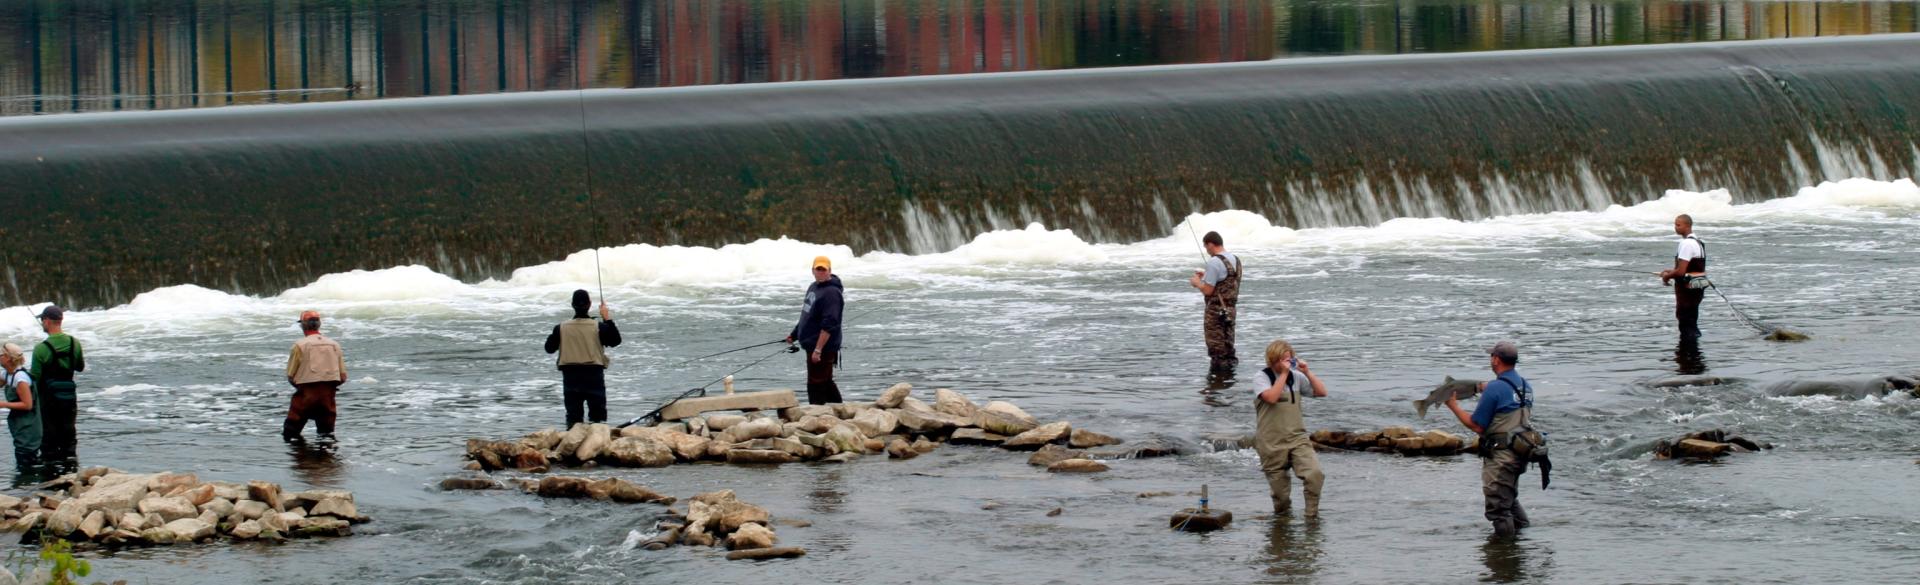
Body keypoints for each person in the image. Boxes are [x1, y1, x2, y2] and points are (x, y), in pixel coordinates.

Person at [1446, 340, 1536, 538]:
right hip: (1520, 453)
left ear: (1496, 360)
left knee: (1498, 509)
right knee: (1509, 501)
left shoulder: (1496, 388)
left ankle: (1504, 557)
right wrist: (1480, 388)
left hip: (1501, 457)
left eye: (1491, 356)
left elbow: (1477, 425)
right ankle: (1523, 542)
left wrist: (1453, 406)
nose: (1490, 360)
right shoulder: (1524, 385)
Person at [1252, 340, 1328, 517]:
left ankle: (1311, 517)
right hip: (1271, 441)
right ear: (1273, 360)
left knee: (1314, 474)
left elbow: (1322, 392)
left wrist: (1306, 372)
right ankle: (1282, 525)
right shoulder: (1261, 377)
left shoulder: (1297, 377)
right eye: (1284, 360)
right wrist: (1284, 374)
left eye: (1290, 359)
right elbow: (1271, 398)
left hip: (1297, 438)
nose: (1288, 363)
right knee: (1281, 495)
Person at [544, 290, 621, 428]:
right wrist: (606, 317)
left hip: (570, 376)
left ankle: (572, 443)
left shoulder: (560, 328)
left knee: (573, 419)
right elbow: (615, 340)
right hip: (594, 375)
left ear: (572, 305)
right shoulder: (599, 327)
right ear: (589, 305)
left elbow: (549, 348)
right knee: (598, 418)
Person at [785, 256, 844, 405]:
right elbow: (807, 315)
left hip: (823, 346)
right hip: (811, 343)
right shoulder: (813, 287)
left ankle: (815, 414)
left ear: (829, 271)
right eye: (818, 269)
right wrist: (794, 334)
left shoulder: (831, 293)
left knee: (815, 382)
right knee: (825, 380)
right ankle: (840, 410)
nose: (821, 272)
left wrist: (818, 349)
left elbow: (829, 324)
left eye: (824, 269)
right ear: (813, 271)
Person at [29, 306, 83, 465]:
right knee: (69, 432)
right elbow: (80, 367)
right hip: (69, 395)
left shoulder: (40, 349)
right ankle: (72, 471)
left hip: (48, 400)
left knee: (49, 437)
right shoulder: (75, 343)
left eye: (42, 320)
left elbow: (35, 378)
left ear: (46, 321)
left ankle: (50, 476)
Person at [283, 310, 347, 441]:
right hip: (328, 397)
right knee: (326, 436)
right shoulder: (334, 344)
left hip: (305, 396)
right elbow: (343, 377)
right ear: (319, 324)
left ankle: (302, 458)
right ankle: (325, 460)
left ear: (303, 325)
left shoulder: (299, 345)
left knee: (290, 435)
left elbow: (291, 376)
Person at [1188, 231, 1241, 380]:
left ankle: (1218, 384)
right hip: (1230, 309)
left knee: (1217, 349)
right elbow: (1225, 279)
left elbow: (1208, 290)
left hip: (1215, 311)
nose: (1207, 250)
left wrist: (1198, 283)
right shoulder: (1235, 260)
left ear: (1210, 244)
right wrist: (1206, 276)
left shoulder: (1214, 262)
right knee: (1228, 347)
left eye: (1206, 247)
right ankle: (1231, 381)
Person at [1658, 214, 1708, 342]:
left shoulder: (1686, 244)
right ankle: (1695, 355)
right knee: (1692, 320)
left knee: (1685, 323)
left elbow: (1680, 272)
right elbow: (1691, 268)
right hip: (1697, 289)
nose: (1675, 227)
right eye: (1675, 224)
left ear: (1687, 225)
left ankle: (1689, 357)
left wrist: (1666, 277)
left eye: (1678, 225)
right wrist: (1670, 271)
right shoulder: (1698, 242)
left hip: (1686, 291)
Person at [0, 343, 39, 469]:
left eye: (0, 355)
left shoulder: (20, 378)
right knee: (22, 454)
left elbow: (27, 405)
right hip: (19, 423)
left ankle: (28, 484)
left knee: (26, 455)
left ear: (8, 358)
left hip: (29, 424)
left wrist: (3, 404)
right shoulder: (7, 374)